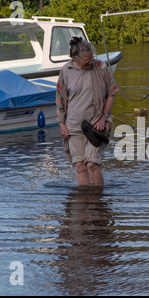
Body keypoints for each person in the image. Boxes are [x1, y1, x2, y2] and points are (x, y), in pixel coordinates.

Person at [56, 37, 118, 187]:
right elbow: (60, 99)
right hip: (74, 125)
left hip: (97, 124)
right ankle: (84, 204)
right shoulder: (66, 70)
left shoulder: (101, 67)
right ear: (75, 59)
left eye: (92, 58)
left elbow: (112, 93)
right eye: (86, 60)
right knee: (80, 166)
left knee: (92, 164)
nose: (90, 62)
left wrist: (103, 117)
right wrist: (62, 123)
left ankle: (98, 202)